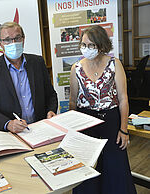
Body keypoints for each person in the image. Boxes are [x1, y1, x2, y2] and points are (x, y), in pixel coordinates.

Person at [69, 25, 136, 194]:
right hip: (86, 122)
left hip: (111, 121)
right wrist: (74, 132)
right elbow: (72, 101)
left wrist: (124, 129)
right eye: (83, 45)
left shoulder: (115, 64)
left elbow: (123, 98)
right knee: (88, 170)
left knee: (115, 168)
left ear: (101, 45)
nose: (86, 49)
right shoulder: (76, 68)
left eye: (91, 45)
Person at [0, 22, 58, 133]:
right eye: (7, 40)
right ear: (0, 43)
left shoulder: (37, 62)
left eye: (17, 38)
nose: (13, 43)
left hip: (41, 129)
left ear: (23, 39)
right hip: (10, 134)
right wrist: (7, 124)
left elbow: (50, 95)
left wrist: (51, 110)